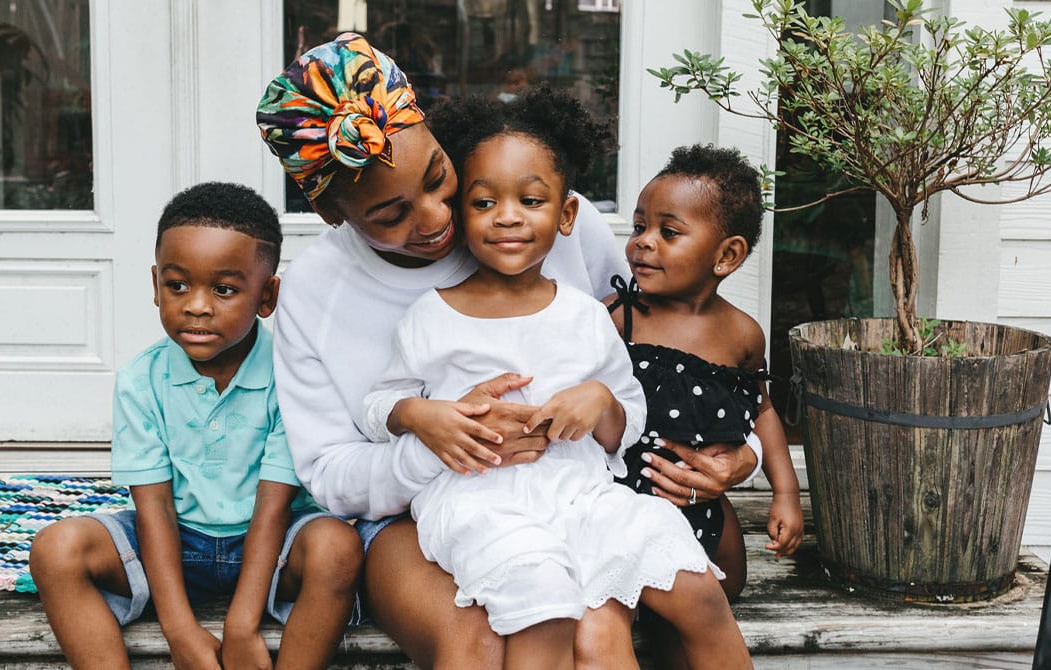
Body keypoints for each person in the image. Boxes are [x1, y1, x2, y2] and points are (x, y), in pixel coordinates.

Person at [256, 33, 759, 668]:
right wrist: (436, 444)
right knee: (484, 638)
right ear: (332, 213)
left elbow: (665, 352)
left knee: (640, 611)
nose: (439, 217)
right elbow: (329, 473)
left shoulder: (543, 220)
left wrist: (746, 452)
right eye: (391, 215)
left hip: (576, 490)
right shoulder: (316, 293)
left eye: (440, 177)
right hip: (415, 514)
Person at [29, 182, 363, 670]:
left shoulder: (293, 375)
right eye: (177, 285)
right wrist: (181, 630)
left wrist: (241, 626)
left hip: (276, 550)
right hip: (173, 545)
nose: (197, 306)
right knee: (55, 550)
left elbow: (273, 507)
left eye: (224, 289)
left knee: (338, 547)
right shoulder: (142, 380)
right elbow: (155, 509)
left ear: (268, 295)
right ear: (154, 284)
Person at [607, 144, 804, 663]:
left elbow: (762, 411)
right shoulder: (619, 318)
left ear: (726, 255)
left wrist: (786, 493)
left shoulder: (741, 334)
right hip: (625, 508)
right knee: (650, 624)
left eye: (668, 233)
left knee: (708, 611)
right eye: (638, 226)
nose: (643, 243)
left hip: (705, 513)